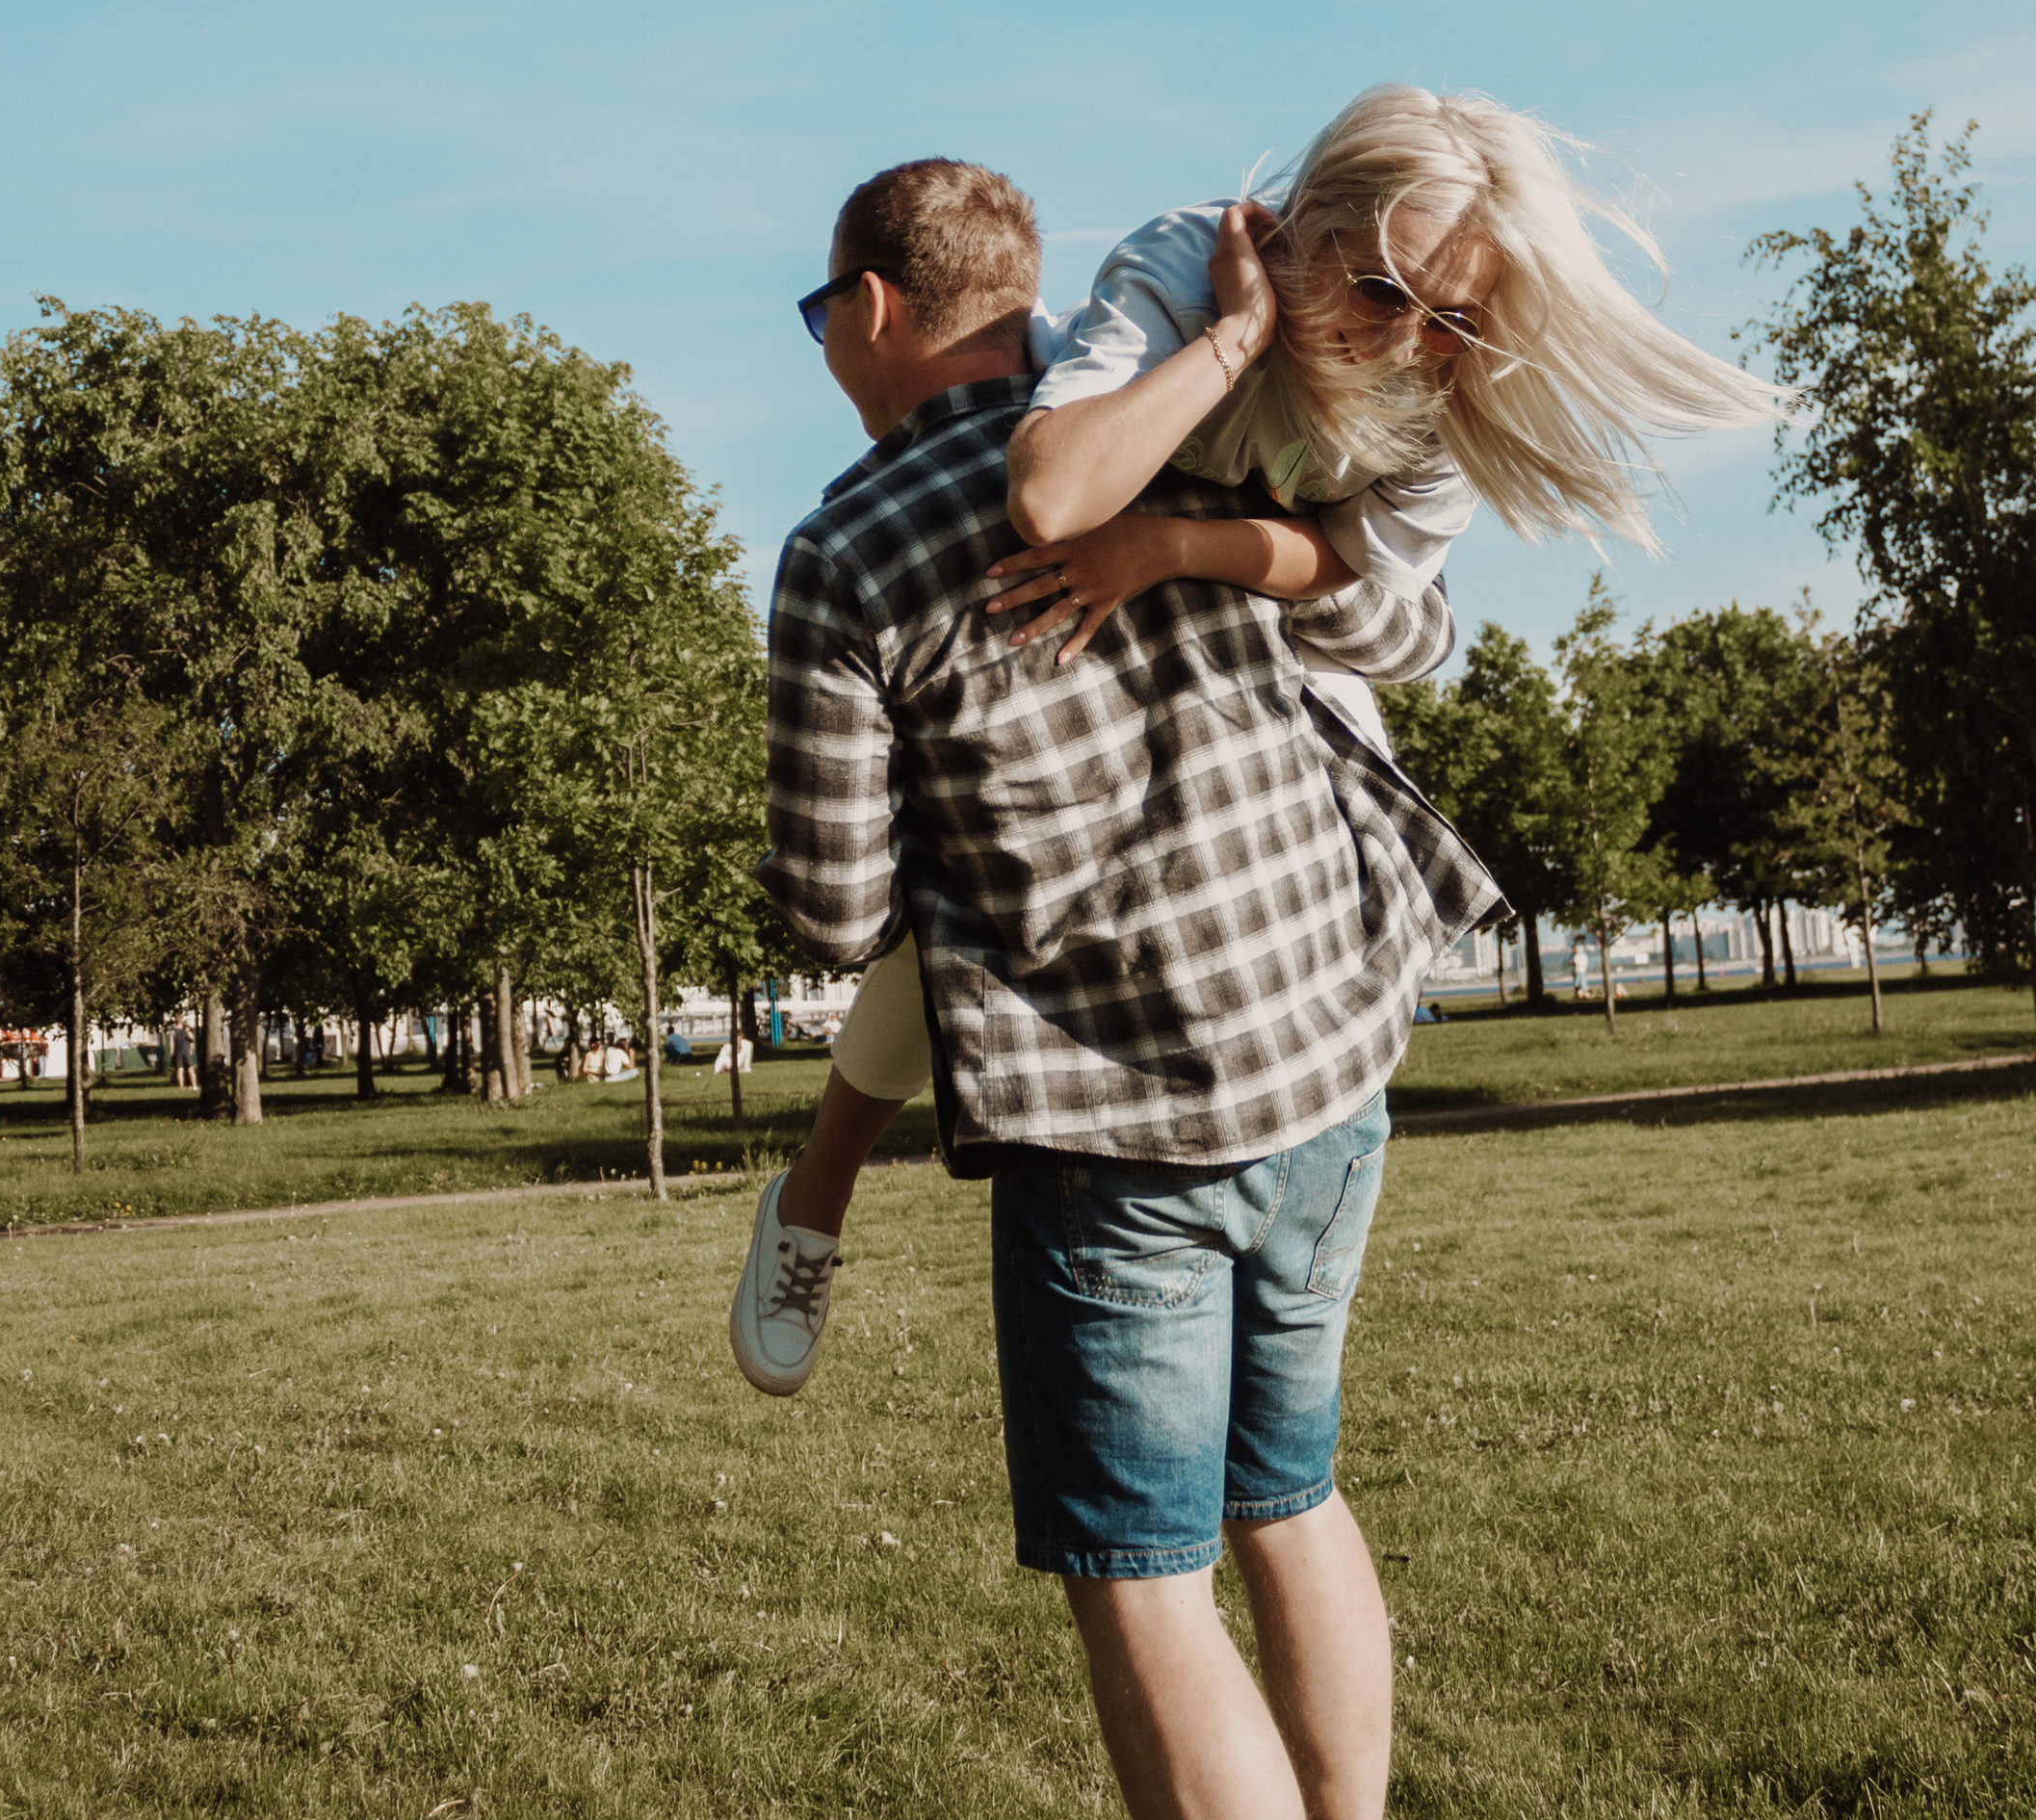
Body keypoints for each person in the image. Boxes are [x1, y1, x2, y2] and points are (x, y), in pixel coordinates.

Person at [749, 151, 1501, 1820]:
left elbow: (832, 915)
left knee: (1141, 1577)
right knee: (1295, 1498)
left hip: (1120, 1116)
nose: (824, 348)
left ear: (885, 307)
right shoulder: (1221, 423)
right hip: (1330, 1055)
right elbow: (1367, 597)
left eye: (820, 314)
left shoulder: (838, 558)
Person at [736, 84, 1774, 1367]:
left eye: (1451, 315)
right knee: (966, 863)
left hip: (1288, 638)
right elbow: (1056, 486)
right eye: (1386, 294)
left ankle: (835, 1189)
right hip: (1153, 570)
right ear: (1298, 229)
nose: (1409, 339)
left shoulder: (1449, 385)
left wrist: (1176, 545)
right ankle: (816, 1196)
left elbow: (1379, 593)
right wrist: (1234, 339)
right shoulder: (1167, 289)